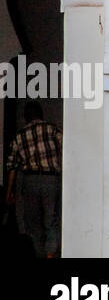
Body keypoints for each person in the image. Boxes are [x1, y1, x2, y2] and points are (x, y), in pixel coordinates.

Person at [4, 103, 61, 257]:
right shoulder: (52, 129)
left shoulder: (19, 136)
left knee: (33, 224)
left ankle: (36, 255)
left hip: (30, 181)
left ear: (25, 118)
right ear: (41, 114)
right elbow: (67, 150)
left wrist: (9, 191)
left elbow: (12, 167)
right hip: (51, 180)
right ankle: (50, 255)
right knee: (51, 220)